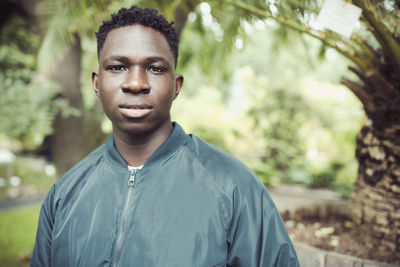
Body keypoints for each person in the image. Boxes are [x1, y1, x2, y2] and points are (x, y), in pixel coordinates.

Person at [31, 5, 299, 267]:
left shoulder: (234, 188)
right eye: (117, 67)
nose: (135, 83)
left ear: (176, 86)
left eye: (155, 68)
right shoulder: (64, 195)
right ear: (97, 83)